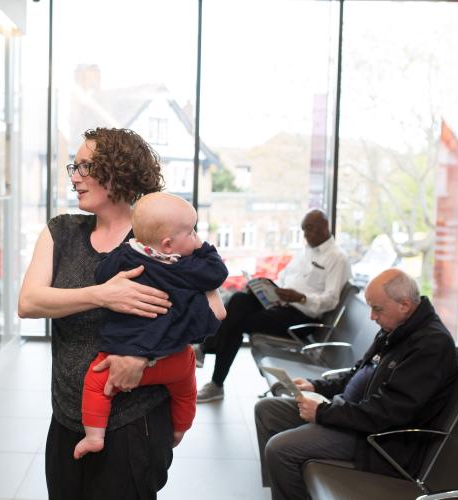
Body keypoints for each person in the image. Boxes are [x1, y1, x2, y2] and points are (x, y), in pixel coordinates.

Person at [18, 128, 181, 499]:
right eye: (74, 166)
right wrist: (103, 295)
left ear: (118, 170)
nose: (75, 176)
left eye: (86, 166)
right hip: (66, 417)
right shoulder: (61, 231)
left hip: (133, 422)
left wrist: (146, 355)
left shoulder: (157, 237)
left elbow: (196, 318)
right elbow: (29, 302)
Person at [254, 268, 458, 500]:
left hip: (377, 439)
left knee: (280, 449)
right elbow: (357, 374)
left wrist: (323, 413)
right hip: (349, 415)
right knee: (268, 410)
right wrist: (317, 388)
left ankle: (289, 481)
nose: (371, 316)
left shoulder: (430, 345)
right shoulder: (395, 330)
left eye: (377, 308)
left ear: (404, 305)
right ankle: (286, 487)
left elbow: (388, 413)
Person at [75, 192, 228, 459]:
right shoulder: (187, 265)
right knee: (185, 391)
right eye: (191, 232)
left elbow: (102, 275)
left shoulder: (128, 256)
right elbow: (217, 274)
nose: (196, 237)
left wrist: (121, 253)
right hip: (175, 357)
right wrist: (205, 249)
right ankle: (180, 429)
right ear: (168, 245)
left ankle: (93, 436)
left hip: (123, 354)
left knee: (96, 384)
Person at [196, 209, 351, 403]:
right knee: (238, 300)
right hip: (281, 305)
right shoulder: (305, 251)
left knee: (237, 321)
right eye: (303, 230)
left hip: (301, 318)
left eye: (309, 229)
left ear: (324, 227)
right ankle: (211, 369)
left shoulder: (337, 257)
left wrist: (301, 298)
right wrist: (268, 288)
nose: (305, 235)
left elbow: (331, 299)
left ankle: (210, 365)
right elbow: (284, 277)